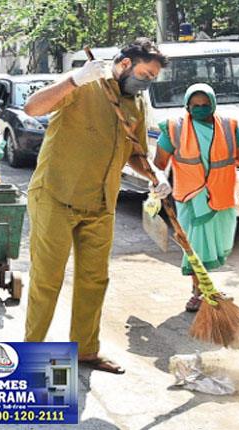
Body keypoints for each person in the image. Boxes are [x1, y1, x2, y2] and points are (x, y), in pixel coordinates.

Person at [23, 38, 169, 374]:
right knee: (47, 279)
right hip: (56, 196)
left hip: (102, 202)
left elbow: (135, 152)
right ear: (124, 64)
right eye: (144, 74)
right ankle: (30, 356)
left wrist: (154, 175)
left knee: (94, 279)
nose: (146, 82)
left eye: (152, 78)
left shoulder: (136, 104)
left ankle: (86, 351)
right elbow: (32, 108)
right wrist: (74, 79)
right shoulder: (87, 86)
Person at [153, 83, 239, 312]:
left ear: (213, 104)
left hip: (222, 196)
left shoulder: (229, 127)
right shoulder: (175, 128)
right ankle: (199, 292)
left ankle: (204, 288)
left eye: (205, 105)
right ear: (187, 106)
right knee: (196, 247)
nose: (200, 109)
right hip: (192, 198)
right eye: (195, 105)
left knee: (218, 246)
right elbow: (159, 164)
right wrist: (157, 187)